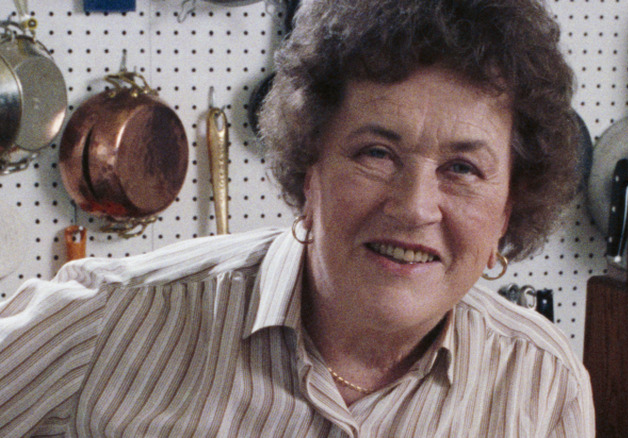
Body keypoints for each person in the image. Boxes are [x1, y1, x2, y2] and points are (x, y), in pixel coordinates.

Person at [0, 0, 595, 436]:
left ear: (509, 208)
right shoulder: (108, 321)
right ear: (310, 168)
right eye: (376, 154)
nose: (414, 207)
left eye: (462, 168)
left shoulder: (540, 383)